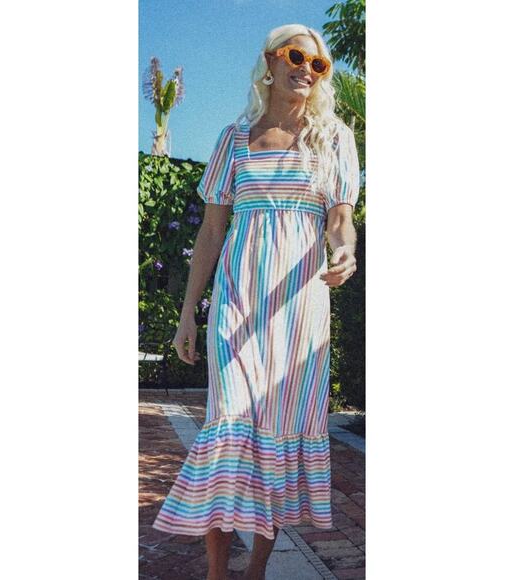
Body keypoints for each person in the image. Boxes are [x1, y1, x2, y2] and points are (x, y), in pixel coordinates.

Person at [152, 23, 360, 580]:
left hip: (299, 311)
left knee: (277, 436)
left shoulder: (333, 138)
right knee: (228, 428)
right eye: (296, 57)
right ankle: (218, 573)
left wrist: (345, 250)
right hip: (237, 304)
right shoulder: (233, 139)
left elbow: (340, 219)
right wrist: (187, 316)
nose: (306, 70)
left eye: (318, 64)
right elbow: (210, 234)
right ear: (270, 61)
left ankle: (256, 572)